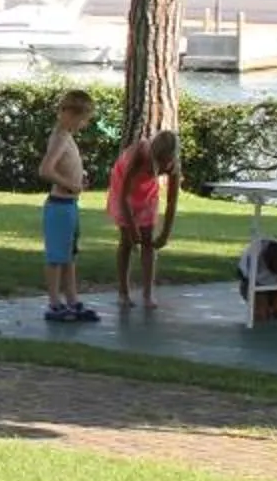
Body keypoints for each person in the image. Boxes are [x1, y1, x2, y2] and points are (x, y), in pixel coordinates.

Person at [37, 90, 98, 324]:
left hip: (70, 204)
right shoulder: (60, 136)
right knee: (56, 257)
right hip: (59, 205)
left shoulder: (68, 136)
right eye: (81, 119)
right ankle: (54, 303)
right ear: (68, 114)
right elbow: (45, 170)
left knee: (69, 255)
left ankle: (72, 300)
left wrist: (77, 182)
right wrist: (71, 184)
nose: (83, 124)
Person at [106, 127, 180, 310]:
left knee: (148, 240)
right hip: (124, 191)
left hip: (147, 193)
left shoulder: (173, 165)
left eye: (165, 164)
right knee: (126, 242)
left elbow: (172, 202)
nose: (162, 168)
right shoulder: (138, 155)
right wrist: (131, 228)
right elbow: (123, 196)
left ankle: (148, 292)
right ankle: (123, 292)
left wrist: (165, 234)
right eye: (158, 164)